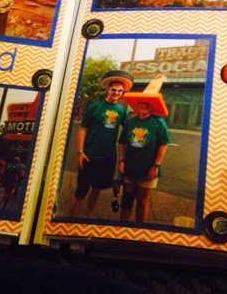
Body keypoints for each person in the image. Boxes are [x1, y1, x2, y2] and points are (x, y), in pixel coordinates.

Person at [67, 70, 134, 218]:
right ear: (108, 89)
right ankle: (69, 221)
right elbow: (83, 129)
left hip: (108, 157)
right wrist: (80, 152)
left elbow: (128, 132)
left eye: (120, 91)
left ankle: (88, 217)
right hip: (89, 156)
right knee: (80, 192)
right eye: (114, 90)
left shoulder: (122, 111)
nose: (116, 93)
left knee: (96, 189)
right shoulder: (95, 107)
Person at [118, 75, 170, 223]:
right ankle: (122, 228)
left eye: (148, 103)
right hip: (129, 168)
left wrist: (155, 166)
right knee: (127, 200)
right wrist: (121, 160)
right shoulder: (131, 122)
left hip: (148, 170)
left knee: (142, 202)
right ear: (138, 105)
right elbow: (122, 142)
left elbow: (163, 144)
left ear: (152, 106)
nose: (144, 106)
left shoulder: (158, 122)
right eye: (142, 103)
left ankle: (139, 229)